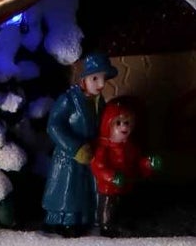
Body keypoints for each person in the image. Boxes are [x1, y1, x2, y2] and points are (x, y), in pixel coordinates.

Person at [42, 51, 116, 231]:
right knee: (68, 191)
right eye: (95, 78)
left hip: (91, 154)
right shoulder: (68, 100)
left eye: (103, 78)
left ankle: (83, 219)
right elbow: (54, 126)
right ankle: (64, 221)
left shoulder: (99, 101)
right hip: (69, 155)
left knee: (84, 191)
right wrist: (74, 147)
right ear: (84, 79)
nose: (101, 84)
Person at [88, 97, 160, 233]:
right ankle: (106, 225)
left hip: (126, 185)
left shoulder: (131, 147)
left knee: (124, 206)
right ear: (108, 125)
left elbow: (138, 163)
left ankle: (122, 223)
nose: (124, 127)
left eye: (127, 123)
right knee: (108, 205)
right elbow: (98, 167)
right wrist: (112, 177)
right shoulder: (103, 148)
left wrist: (148, 163)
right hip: (109, 188)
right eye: (118, 123)